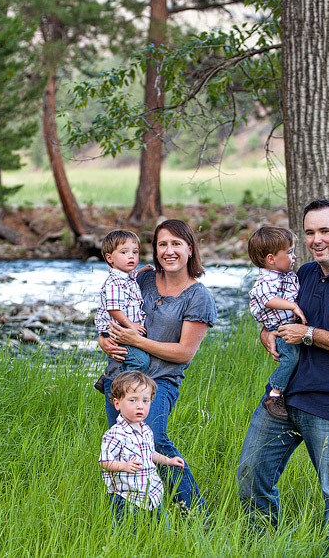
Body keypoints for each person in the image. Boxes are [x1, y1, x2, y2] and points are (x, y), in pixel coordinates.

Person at [237, 200, 329, 552]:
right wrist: (266, 331)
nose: (316, 239)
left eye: (324, 231)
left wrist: (308, 335)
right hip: (284, 399)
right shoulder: (302, 274)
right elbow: (271, 309)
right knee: (251, 475)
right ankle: (263, 547)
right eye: (309, 232)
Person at [98, 219, 217, 515]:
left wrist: (133, 340)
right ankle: (130, 516)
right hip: (122, 381)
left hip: (160, 382)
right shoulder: (143, 279)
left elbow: (184, 353)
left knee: (155, 440)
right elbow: (111, 310)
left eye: (176, 244)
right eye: (162, 244)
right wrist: (104, 340)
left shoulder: (198, 296)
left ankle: (194, 513)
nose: (169, 251)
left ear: (190, 248)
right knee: (124, 448)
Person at [99, 370, 185, 525]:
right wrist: (123, 466)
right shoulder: (115, 434)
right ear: (117, 404)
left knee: (160, 531)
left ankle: (161, 546)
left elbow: (149, 453)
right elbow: (104, 461)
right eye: (133, 400)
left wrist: (169, 461)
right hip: (127, 497)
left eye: (145, 401)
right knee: (127, 532)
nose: (140, 406)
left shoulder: (145, 430)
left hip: (152, 493)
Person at [247, 226, 307, 420]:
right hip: (278, 328)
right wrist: (293, 307)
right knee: (291, 359)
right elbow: (267, 299)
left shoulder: (284, 275)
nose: (294, 256)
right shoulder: (267, 280)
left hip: (283, 325)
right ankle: (275, 394)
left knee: (295, 358)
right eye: (289, 252)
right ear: (271, 259)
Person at [94, 229, 155, 373]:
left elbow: (132, 276)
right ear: (110, 259)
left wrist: (143, 270)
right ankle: (124, 383)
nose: (131, 256)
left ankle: (118, 377)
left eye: (135, 252)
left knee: (132, 358)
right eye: (124, 252)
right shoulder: (113, 283)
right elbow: (114, 309)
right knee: (140, 362)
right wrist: (131, 325)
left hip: (125, 330)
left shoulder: (125, 275)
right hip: (119, 330)